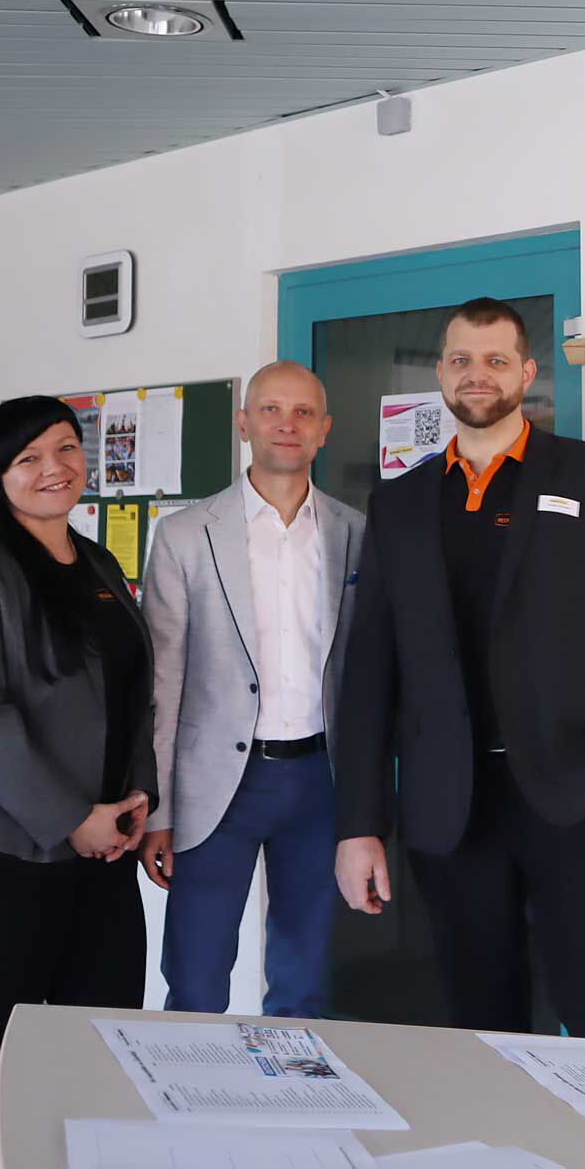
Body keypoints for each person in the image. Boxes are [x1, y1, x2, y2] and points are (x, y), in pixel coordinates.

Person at [333, 296, 585, 1038]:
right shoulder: (398, 504)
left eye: (496, 360)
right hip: (451, 809)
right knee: (480, 1026)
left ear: (527, 373)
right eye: (461, 359)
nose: (478, 374)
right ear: (440, 373)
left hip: (581, 796)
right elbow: (369, 672)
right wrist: (360, 823)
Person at [0, 396, 157, 1169]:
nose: (54, 468)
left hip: (102, 855)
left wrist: (139, 798)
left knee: (102, 1039)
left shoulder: (99, 562)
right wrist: (72, 817)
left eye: (65, 448)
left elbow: (134, 694)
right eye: (28, 457)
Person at [138, 362, 365, 1015]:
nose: (286, 424)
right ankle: (189, 1080)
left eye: (302, 412)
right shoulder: (185, 534)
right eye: (270, 409)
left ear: (324, 429)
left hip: (319, 780)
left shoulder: (355, 532)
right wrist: (159, 811)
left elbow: (367, 674)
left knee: (305, 976)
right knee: (197, 975)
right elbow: (163, 681)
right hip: (214, 785)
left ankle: (293, 1079)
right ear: (244, 423)